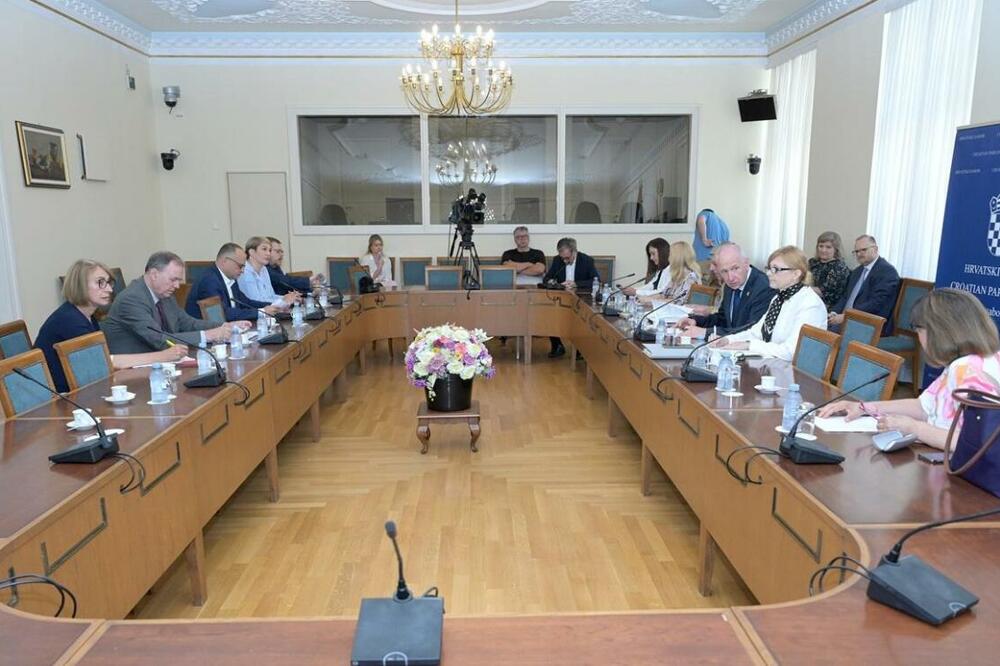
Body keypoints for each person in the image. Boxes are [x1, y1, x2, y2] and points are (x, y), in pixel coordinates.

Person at [818, 288, 1000, 451]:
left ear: (937, 331)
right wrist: (864, 407)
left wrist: (915, 428)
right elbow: (924, 407)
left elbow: (974, 443)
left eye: (919, 330)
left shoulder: (968, 370)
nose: (919, 338)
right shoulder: (974, 361)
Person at [34, 260, 187, 392]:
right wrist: (163, 356)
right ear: (80, 285)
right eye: (100, 283)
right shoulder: (69, 320)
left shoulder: (87, 316)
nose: (109, 289)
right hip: (60, 398)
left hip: (86, 389)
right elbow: (105, 362)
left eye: (108, 283)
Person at [102, 251, 245, 354]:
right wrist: (208, 335)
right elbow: (159, 339)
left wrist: (224, 326)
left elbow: (187, 322)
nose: (177, 286)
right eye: (173, 279)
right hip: (132, 371)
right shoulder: (132, 299)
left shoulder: (164, 294)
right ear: (154, 274)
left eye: (178, 280)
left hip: (162, 361)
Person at [711, 245, 827, 361]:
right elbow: (756, 333)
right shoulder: (778, 298)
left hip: (796, 370)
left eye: (776, 269)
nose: (768, 274)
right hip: (775, 365)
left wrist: (749, 345)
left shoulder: (810, 304)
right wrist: (728, 340)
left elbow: (792, 351)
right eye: (769, 268)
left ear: (796, 274)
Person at [677, 243, 775, 340]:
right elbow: (723, 319)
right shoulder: (730, 284)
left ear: (746, 263)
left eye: (735, 268)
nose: (730, 277)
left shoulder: (763, 287)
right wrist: (696, 321)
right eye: (724, 271)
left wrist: (705, 332)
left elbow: (750, 330)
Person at [185, 243, 278, 322]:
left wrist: (273, 306)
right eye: (240, 266)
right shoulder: (209, 281)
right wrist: (261, 312)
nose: (242, 270)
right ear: (225, 261)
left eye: (244, 267)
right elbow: (222, 313)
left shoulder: (231, 277)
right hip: (205, 332)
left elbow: (245, 302)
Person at [828, 234, 900, 334]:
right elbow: (845, 296)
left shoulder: (887, 272)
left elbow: (876, 304)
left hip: (868, 323)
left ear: (875, 249)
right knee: (817, 325)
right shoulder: (857, 271)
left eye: (863, 250)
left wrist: (847, 316)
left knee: (825, 333)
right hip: (845, 319)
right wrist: (834, 312)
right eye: (856, 251)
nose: (859, 254)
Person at [544, 238, 600, 358]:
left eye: (567, 258)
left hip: (581, 298)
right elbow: (547, 279)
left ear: (574, 251)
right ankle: (557, 346)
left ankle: (581, 349)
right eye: (562, 258)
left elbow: (596, 281)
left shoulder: (586, 260)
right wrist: (554, 282)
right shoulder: (557, 260)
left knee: (582, 318)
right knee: (548, 312)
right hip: (561, 298)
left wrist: (576, 284)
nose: (565, 261)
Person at [238, 236, 301, 308]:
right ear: (252, 252)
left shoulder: (264, 269)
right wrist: (284, 301)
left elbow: (270, 296)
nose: (268, 253)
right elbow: (256, 301)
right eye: (264, 249)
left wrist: (286, 297)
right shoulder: (245, 271)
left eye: (270, 250)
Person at [809, 231, 851, 311]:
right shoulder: (812, 262)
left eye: (828, 247)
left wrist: (802, 288)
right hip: (808, 300)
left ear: (836, 249)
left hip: (827, 308)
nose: (823, 250)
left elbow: (824, 293)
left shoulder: (839, 267)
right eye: (821, 246)